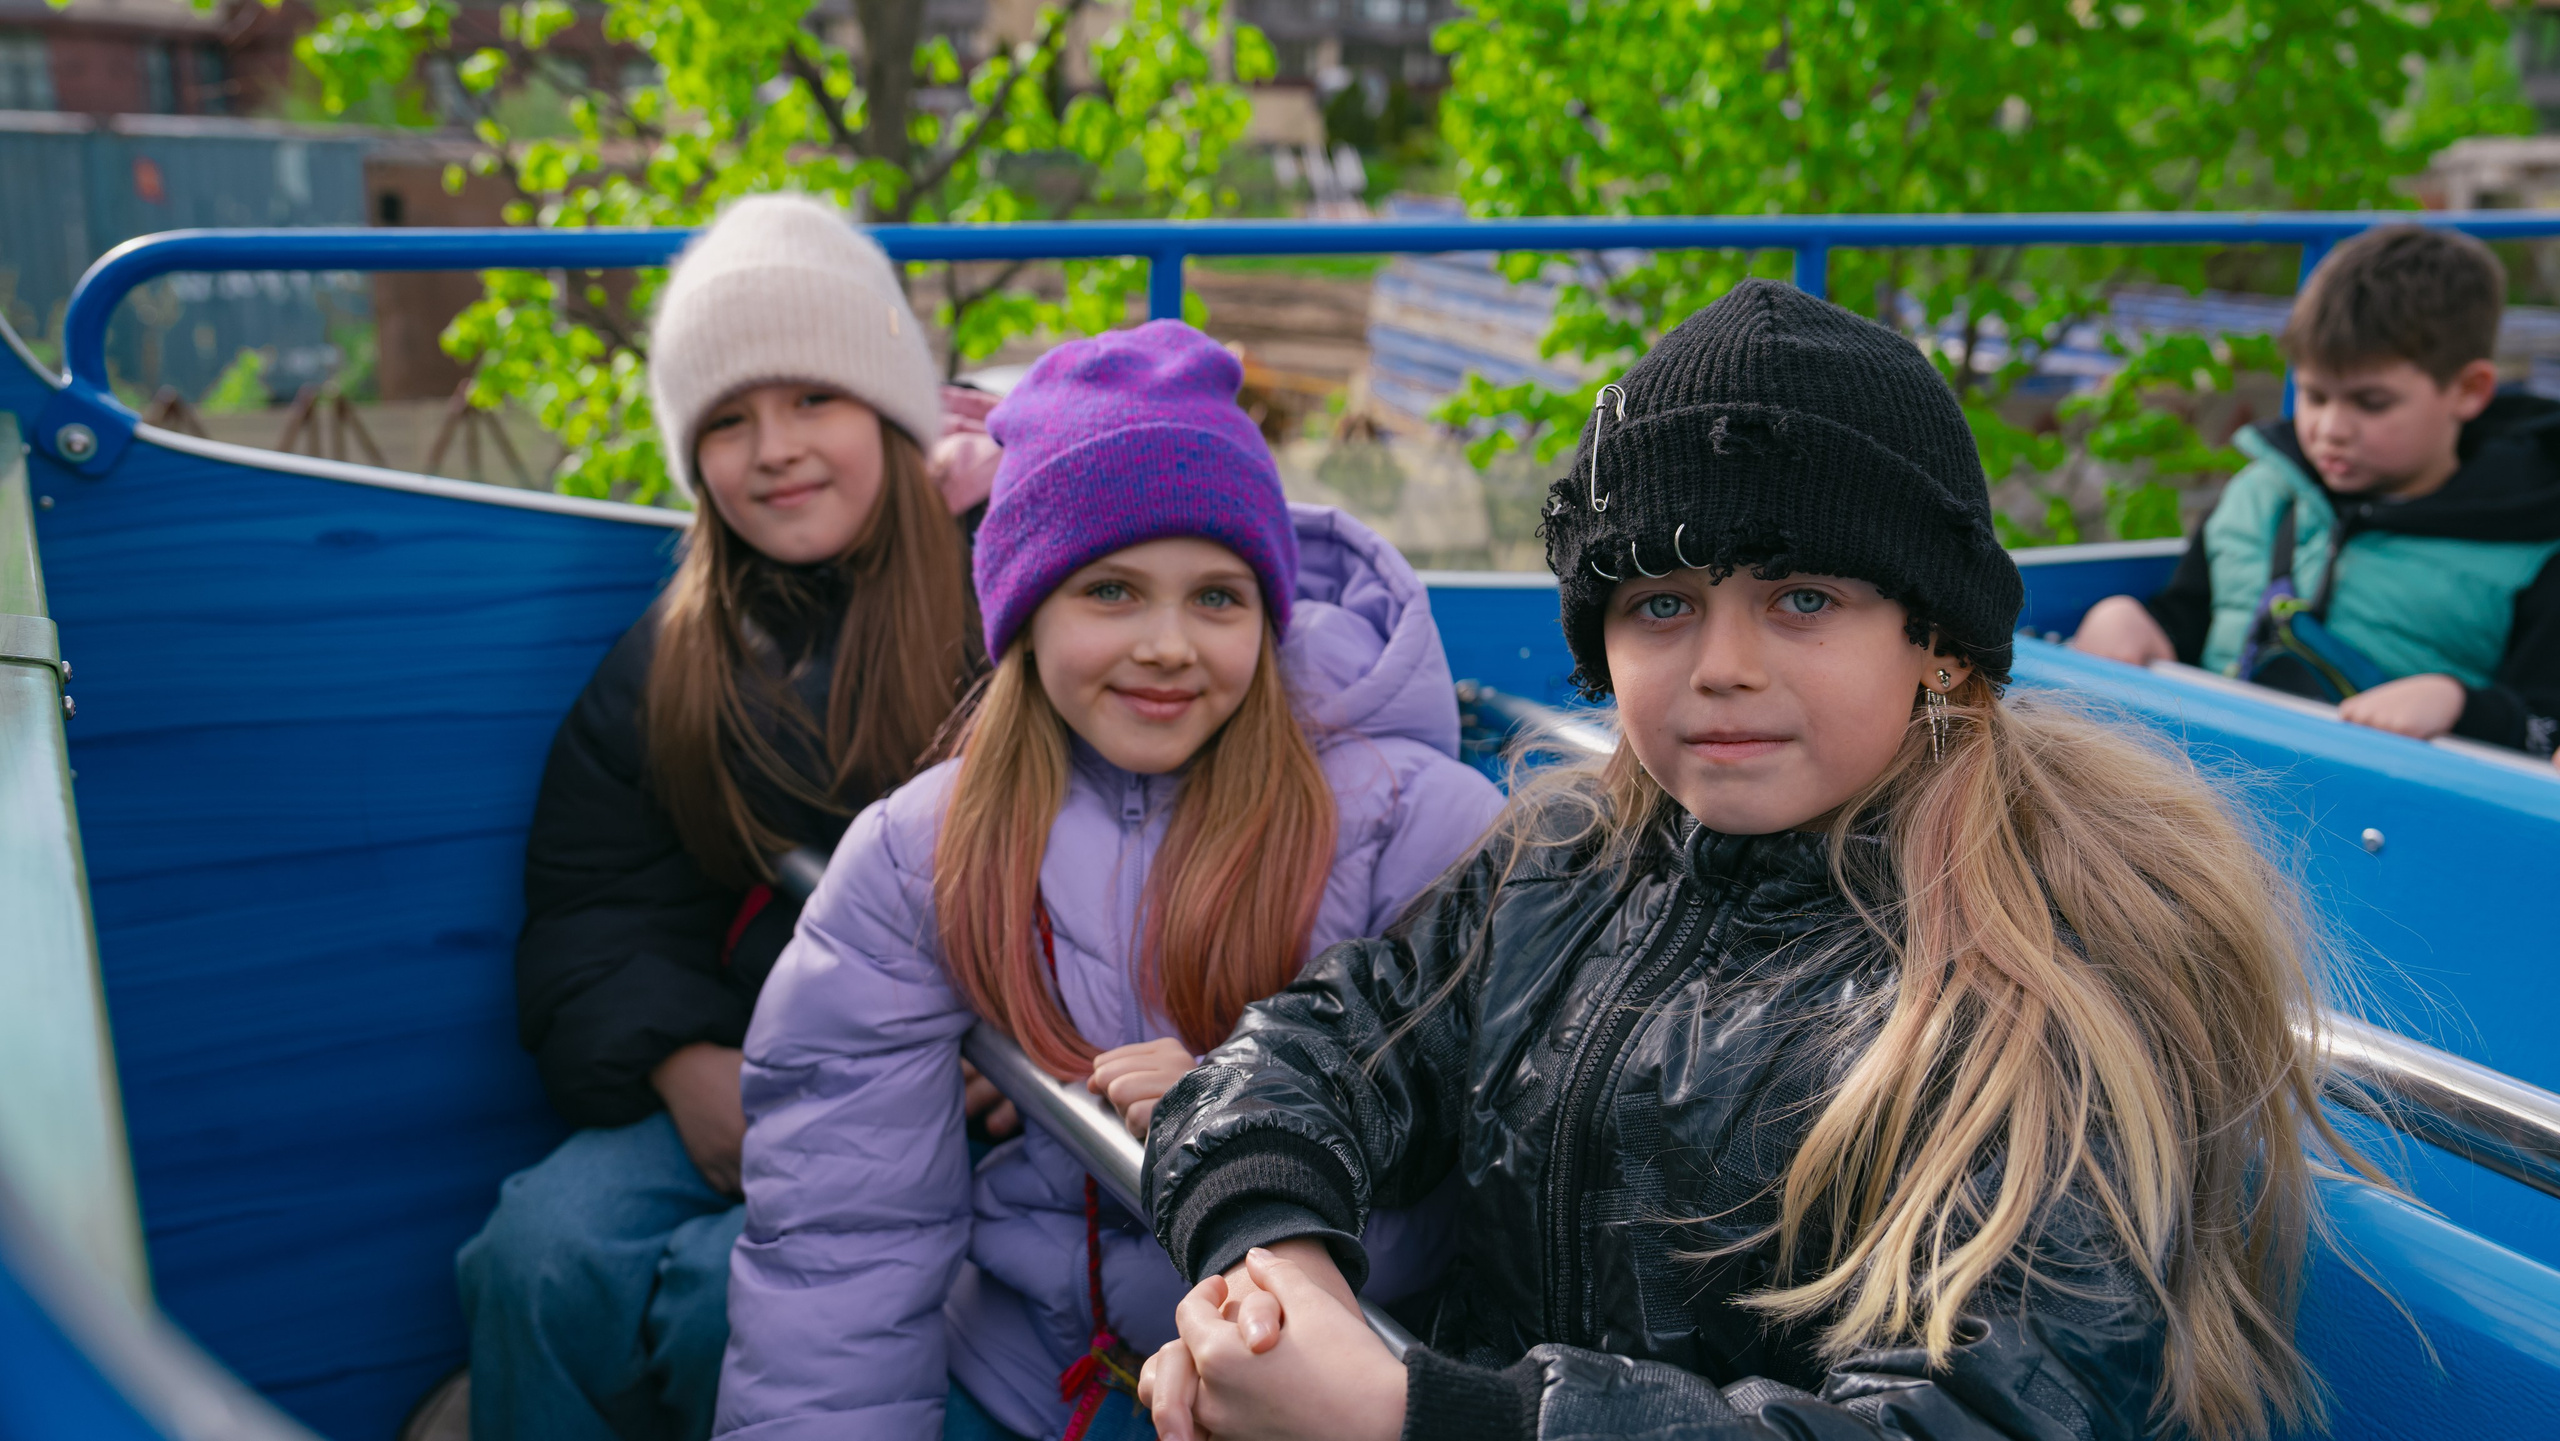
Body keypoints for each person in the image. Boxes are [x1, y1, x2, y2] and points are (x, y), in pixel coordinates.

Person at [1135, 281, 2376, 1441]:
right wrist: (1274, 1261)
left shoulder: (2035, 987)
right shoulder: (1565, 863)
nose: (1722, 664)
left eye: (1801, 599)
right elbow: (1325, 1040)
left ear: (1935, 643)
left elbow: (1964, 1413)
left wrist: (1425, 1415)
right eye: (1659, 604)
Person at [713, 320, 1507, 1441]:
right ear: (1025, 613)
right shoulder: (919, 849)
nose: (1169, 644)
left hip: (1300, 1400)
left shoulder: (1414, 828)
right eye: (1112, 592)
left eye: (1218, 598)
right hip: (1024, 1372)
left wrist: (1245, 1129)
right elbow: (844, 1240)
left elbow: (1479, 1193)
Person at [456, 193, 977, 1441]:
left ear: (890, 410)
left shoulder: (998, 611)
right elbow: (597, 903)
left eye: (814, 400)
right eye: (728, 421)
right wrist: (681, 1064)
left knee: (719, 1306)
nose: (775, 448)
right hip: (746, 1066)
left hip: (953, 1093)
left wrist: (1006, 1052)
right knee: (531, 1255)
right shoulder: (673, 657)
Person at [2072, 224, 2560, 758]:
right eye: (2314, 395)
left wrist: (2458, 705)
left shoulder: (2534, 546)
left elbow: (2544, 722)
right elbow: (2193, 617)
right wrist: (2131, 621)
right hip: (2215, 785)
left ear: (2468, 391)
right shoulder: (2262, 493)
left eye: (2370, 403)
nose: (2330, 428)